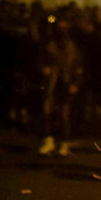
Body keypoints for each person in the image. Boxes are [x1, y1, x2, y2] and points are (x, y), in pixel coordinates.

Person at [37, 14, 84, 156]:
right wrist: (44, 69)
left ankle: (64, 143)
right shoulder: (49, 45)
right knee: (48, 113)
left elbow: (78, 67)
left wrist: (76, 83)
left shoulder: (73, 48)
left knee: (64, 115)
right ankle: (49, 141)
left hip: (66, 83)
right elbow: (40, 62)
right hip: (51, 83)